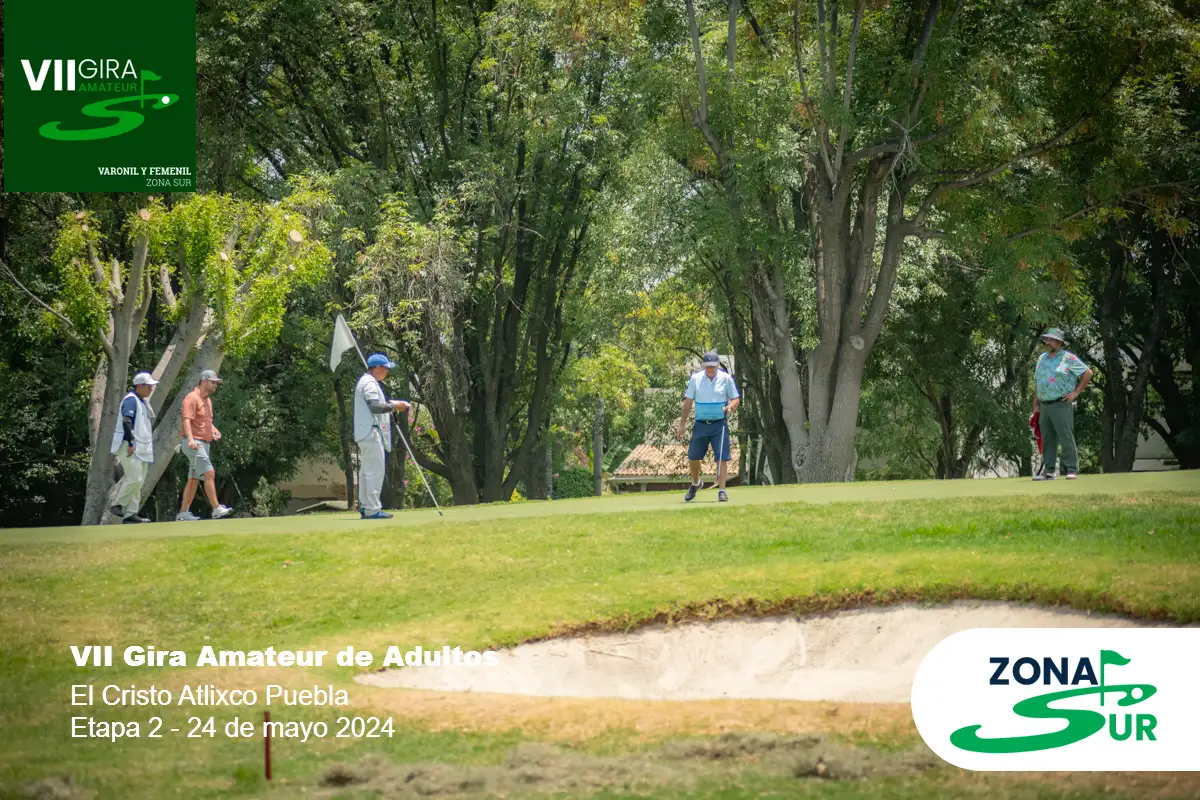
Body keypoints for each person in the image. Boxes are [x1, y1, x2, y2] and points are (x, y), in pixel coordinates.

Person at [676, 350, 740, 502]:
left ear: (717, 365)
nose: (710, 369)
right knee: (693, 457)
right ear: (704, 366)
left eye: (713, 366)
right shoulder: (696, 379)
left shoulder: (726, 379)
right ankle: (696, 483)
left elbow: (735, 398)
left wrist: (730, 407)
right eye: (708, 366)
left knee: (721, 458)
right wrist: (682, 424)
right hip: (701, 424)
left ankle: (722, 490)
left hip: (719, 424)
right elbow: (688, 402)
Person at [354, 353, 411, 519]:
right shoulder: (369, 383)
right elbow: (375, 407)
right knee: (374, 472)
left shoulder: (367, 381)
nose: (387, 372)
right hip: (370, 432)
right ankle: (372, 509)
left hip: (366, 432)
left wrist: (392, 405)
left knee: (367, 472)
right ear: (377, 368)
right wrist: (394, 407)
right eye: (386, 369)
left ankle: (366, 507)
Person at [1033, 328, 1093, 481]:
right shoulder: (1042, 358)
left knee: (1065, 436)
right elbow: (1038, 382)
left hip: (1061, 403)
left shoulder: (1068, 358)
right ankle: (1049, 471)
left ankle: (1072, 469)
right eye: (1047, 339)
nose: (1048, 342)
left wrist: (1076, 392)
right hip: (1044, 405)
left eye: (1051, 339)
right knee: (1047, 438)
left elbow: (1088, 373)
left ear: (1059, 342)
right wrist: (1036, 404)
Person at [177, 369, 233, 520]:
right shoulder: (192, 398)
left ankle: (183, 513)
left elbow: (205, 422)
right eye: (213, 382)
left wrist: (214, 430)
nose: (215, 385)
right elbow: (186, 420)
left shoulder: (208, 401)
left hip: (204, 443)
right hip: (194, 443)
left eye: (216, 383)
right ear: (203, 381)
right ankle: (216, 508)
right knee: (209, 472)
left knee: (194, 479)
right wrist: (190, 439)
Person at [108, 372, 159, 523]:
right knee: (135, 479)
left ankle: (130, 514)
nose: (151, 389)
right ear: (140, 386)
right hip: (129, 445)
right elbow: (126, 421)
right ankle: (117, 504)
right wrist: (130, 443)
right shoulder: (131, 400)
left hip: (141, 448)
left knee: (139, 482)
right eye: (149, 386)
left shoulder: (142, 401)